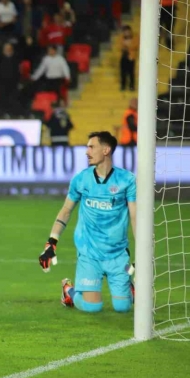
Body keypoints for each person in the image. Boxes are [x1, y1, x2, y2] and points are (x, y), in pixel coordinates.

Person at [38, 131, 137, 313]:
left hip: (117, 253)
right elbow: (66, 210)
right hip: (89, 252)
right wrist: (51, 242)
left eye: (92, 147)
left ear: (106, 150)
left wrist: (143, 252)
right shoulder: (81, 179)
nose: (87, 152)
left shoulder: (127, 180)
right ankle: (68, 290)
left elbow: (135, 217)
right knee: (92, 307)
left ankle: (129, 289)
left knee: (122, 307)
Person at [119, 26, 138, 91]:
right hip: (123, 57)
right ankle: (123, 86)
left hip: (131, 57)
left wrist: (128, 45)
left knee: (131, 72)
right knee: (123, 72)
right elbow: (119, 46)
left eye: (128, 32)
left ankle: (132, 86)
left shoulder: (135, 37)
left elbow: (136, 46)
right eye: (125, 32)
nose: (126, 33)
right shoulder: (121, 38)